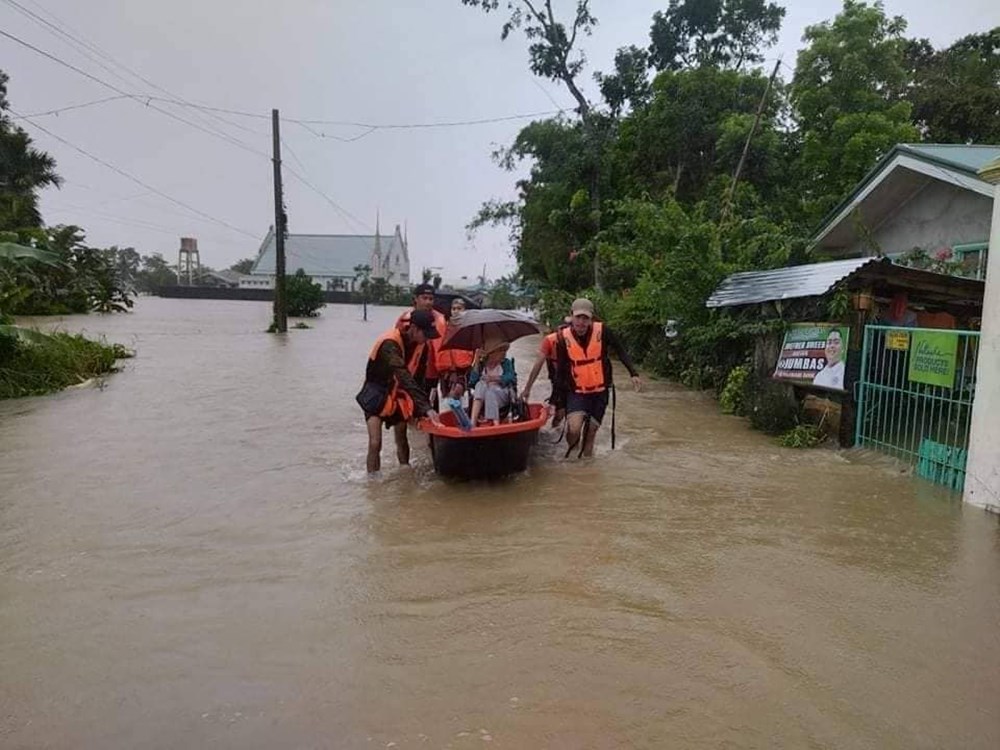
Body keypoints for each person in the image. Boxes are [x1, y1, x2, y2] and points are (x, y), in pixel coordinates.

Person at [555, 298, 642, 458]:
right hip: (576, 391)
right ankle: (572, 454)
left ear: (591, 319)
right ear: (571, 316)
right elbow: (560, 371)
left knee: (591, 433)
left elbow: (620, 350)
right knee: (574, 429)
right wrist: (558, 402)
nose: (581, 322)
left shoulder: (603, 331)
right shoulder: (562, 338)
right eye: (578, 317)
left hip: (599, 391)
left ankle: (587, 468)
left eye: (585, 318)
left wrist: (633, 373)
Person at [360, 309, 442, 473]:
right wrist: (427, 407)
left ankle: (405, 474)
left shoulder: (422, 346)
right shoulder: (389, 343)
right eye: (425, 334)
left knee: (402, 438)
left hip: (399, 396)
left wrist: (421, 411)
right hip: (376, 394)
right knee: (375, 443)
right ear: (414, 328)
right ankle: (372, 483)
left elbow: (419, 379)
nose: (426, 339)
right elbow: (403, 375)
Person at [396, 283, 448, 402]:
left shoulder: (440, 320)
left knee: (429, 407)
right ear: (416, 299)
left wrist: (445, 373)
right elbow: (397, 344)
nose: (428, 302)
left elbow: (443, 348)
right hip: (408, 370)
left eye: (431, 299)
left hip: (431, 372)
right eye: (424, 298)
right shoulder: (405, 319)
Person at [520, 315, 571, 428]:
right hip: (558, 380)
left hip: (574, 378)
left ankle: (557, 425)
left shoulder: (578, 340)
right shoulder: (550, 340)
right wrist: (528, 388)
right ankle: (555, 427)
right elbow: (538, 365)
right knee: (560, 410)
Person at [436, 296, 476, 405]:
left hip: (464, 369)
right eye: (454, 309)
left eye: (459, 308)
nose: (456, 311)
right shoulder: (445, 326)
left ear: (464, 310)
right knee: (446, 398)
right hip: (447, 369)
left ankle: (460, 417)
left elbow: (475, 351)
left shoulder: (470, 328)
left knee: (460, 395)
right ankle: (448, 417)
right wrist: (451, 370)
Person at [469, 338, 518, 426]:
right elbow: (472, 382)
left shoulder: (506, 363)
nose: (504, 353)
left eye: (504, 350)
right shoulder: (482, 365)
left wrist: (494, 378)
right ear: (492, 353)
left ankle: (495, 422)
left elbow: (511, 378)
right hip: (483, 396)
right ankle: (473, 421)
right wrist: (476, 360)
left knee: (490, 392)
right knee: (480, 385)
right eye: (501, 350)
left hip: (502, 394)